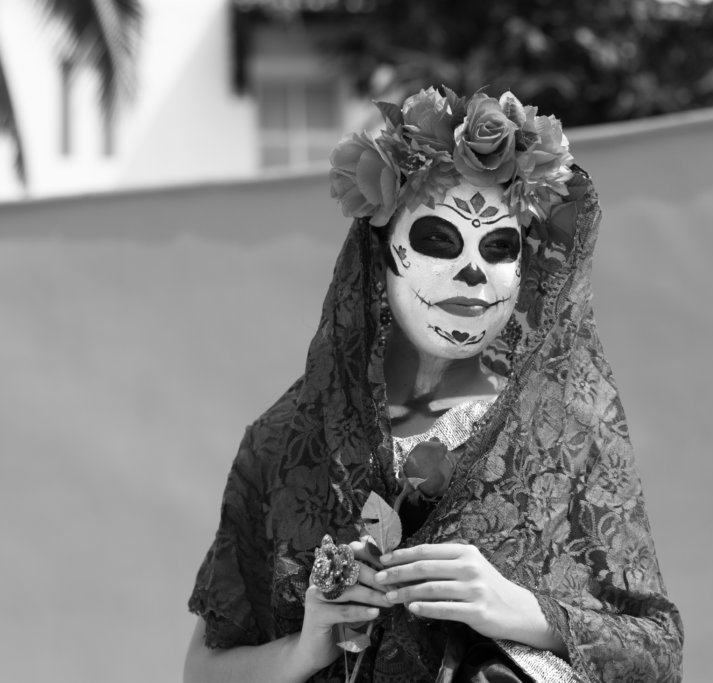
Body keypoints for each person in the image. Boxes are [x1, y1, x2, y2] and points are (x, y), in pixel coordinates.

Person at [184, 87, 683, 683]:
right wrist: (305, 648)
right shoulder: (284, 441)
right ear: (382, 249)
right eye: (439, 239)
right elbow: (203, 671)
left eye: (500, 246)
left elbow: (657, 649)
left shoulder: (567, 433)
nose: (472, 269)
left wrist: (525, 613)